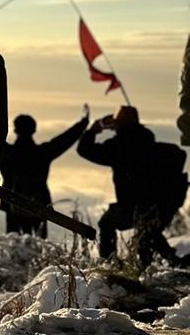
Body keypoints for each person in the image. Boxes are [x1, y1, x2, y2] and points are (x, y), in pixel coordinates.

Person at [77, 105, 188, 268]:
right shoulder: (155, 147)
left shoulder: (118, 147)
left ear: (117, 126)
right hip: (159, 206)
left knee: (108, 224)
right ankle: (169, 264)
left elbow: (84, 149)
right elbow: (180, 156)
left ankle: (110, 265)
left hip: (131, 207)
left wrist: (95, 128)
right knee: (148, 234)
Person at [0, 109, 89, 236]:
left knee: (14, 246)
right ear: (34, 130)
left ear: (15, 130)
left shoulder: (6, 152)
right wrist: (82, 124)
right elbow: (64, 140)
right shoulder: (42, 153)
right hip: (39, 205)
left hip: (11, 203)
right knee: (39, 248)